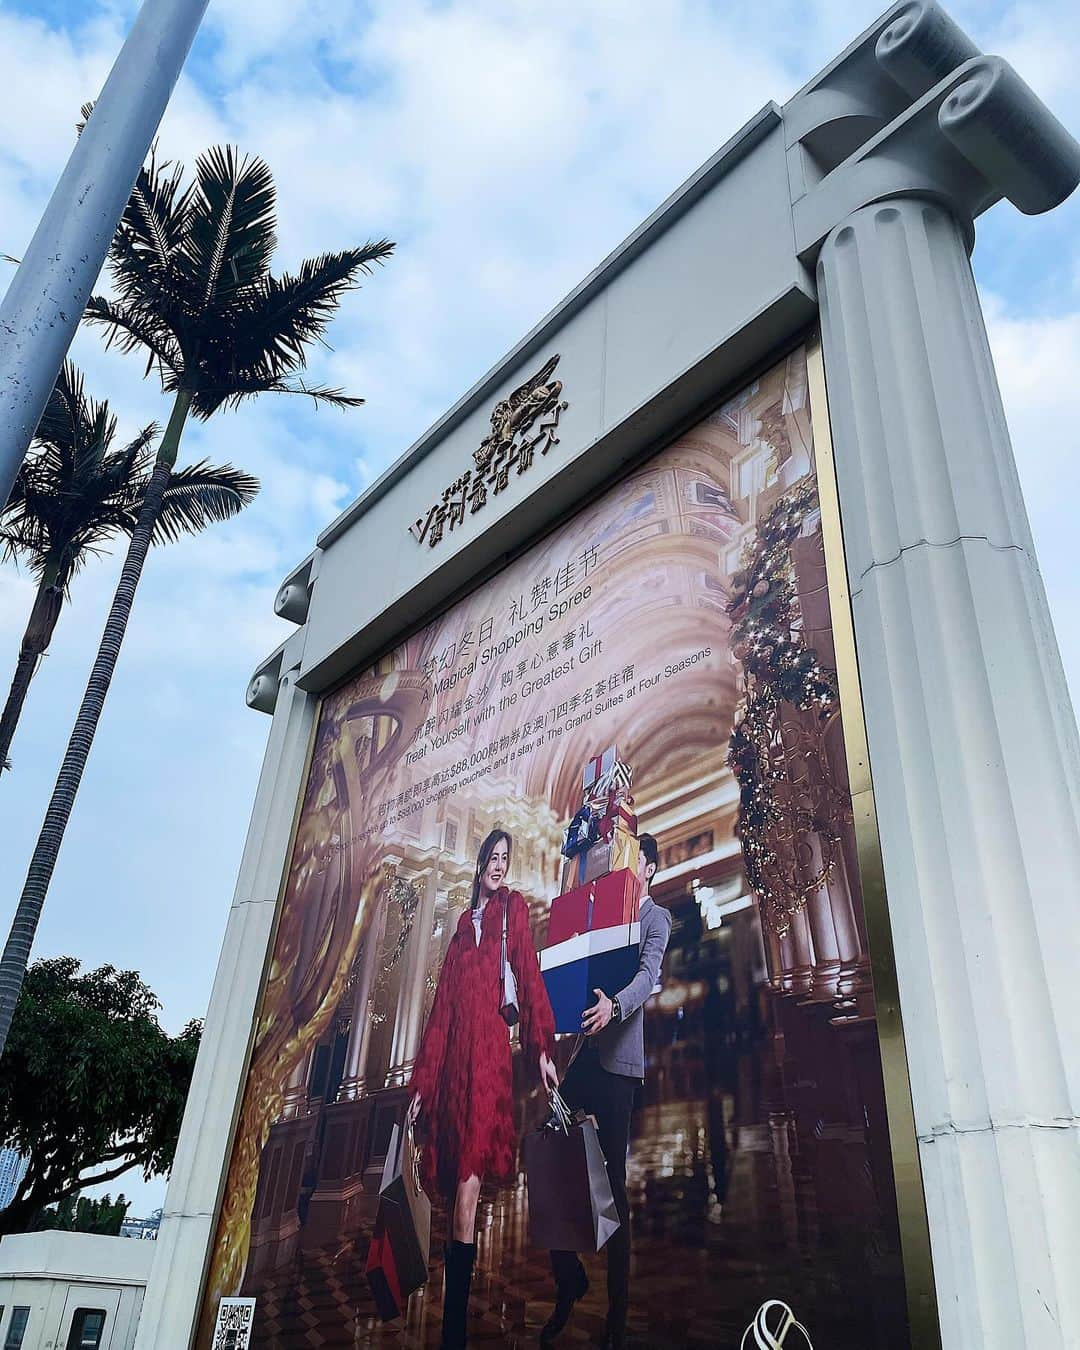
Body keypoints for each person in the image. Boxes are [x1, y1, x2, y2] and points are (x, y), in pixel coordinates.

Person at [407, 828, 558, 1350]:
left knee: (469, 1190)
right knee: (453, 1201)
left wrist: (541, 1047)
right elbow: (440, 1017)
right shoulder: (458, 935)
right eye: (492, 858)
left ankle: (452, 1334)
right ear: (477, 866)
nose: (498, 866)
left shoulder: (512, 911)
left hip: (488, 1069)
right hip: (453, 1076)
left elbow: (530, 977)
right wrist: (424, 1084)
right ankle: (452, 1322)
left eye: (505, 859)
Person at [542, 832, 672, 1350]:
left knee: (615, 1186)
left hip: (619, 1065)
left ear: (651, 869)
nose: (626, 864)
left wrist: (612, 1007)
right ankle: (569, 1280)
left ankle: (616, 1318)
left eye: (634, 858)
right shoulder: (608, 912)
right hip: (584, 1059)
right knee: (550, 1150)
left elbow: (646, 978)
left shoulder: (654, 918)